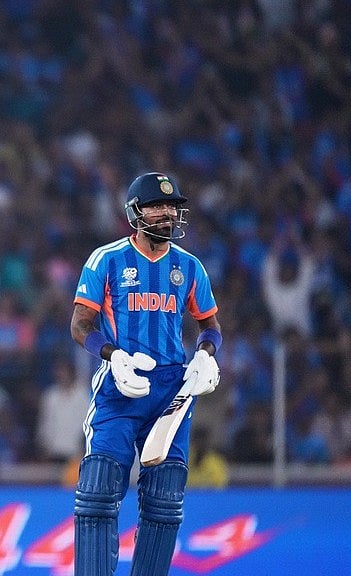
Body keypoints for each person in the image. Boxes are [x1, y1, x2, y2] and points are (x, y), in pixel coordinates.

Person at [69, 172, 222, 576]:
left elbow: (210, 326)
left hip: (172, 391)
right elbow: (80, 324)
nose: (167, 214)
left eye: (172, 207)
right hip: (120, 384)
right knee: (99, 490)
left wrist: (206, 355)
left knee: (165, 501)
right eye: (157, 206)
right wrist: (112, 355)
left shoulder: (189, 266)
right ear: (135, 212)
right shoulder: (107, 259)